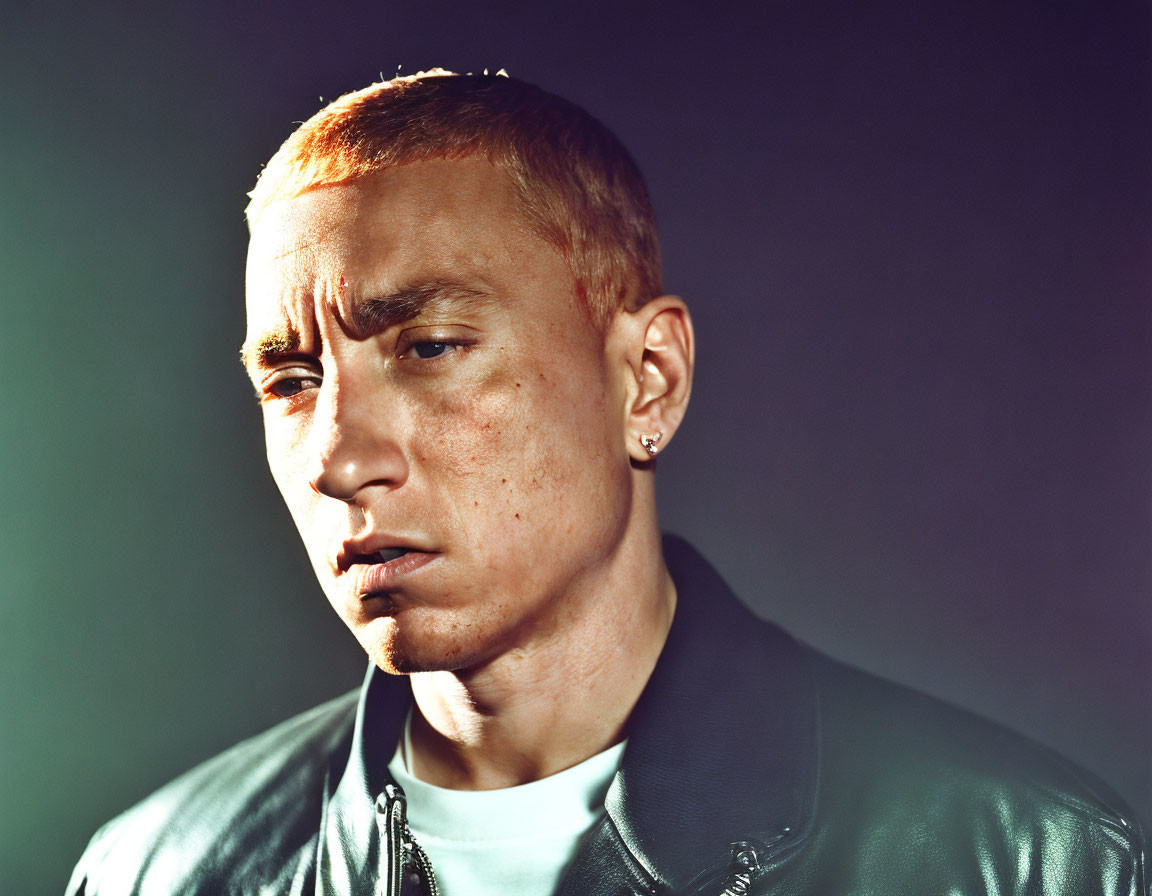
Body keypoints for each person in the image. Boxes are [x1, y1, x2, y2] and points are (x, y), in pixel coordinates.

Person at [67, 69, 1146, 896]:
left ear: (648, 379)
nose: (336, 457)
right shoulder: (155, 870)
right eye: (292, 380)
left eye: (432, 344)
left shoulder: (1018, 857)